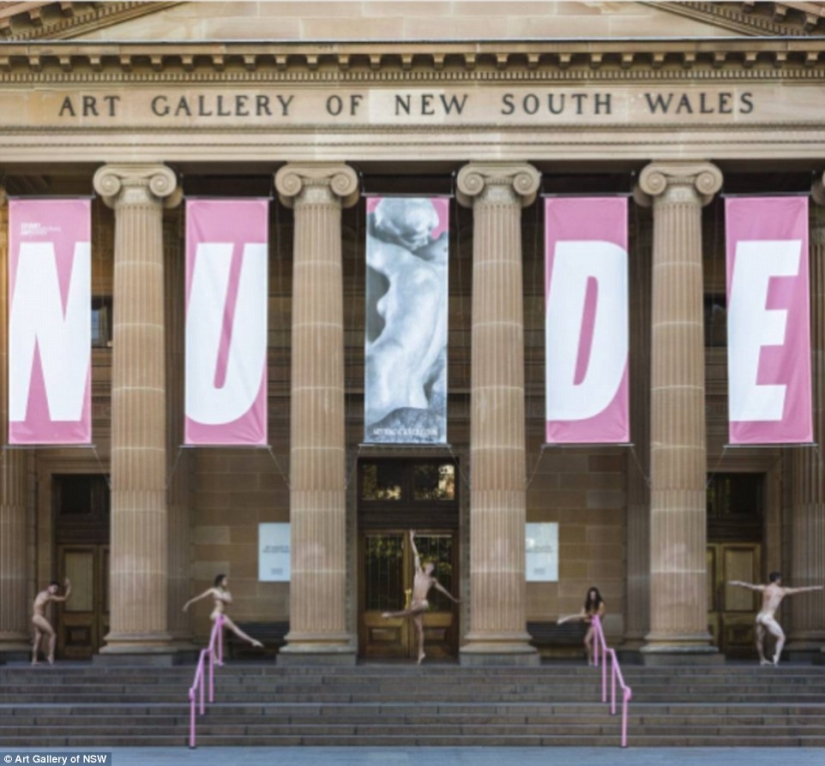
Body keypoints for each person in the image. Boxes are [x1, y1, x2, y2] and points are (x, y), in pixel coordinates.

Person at [365, 198, 449, 442]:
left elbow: (367, 247)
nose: (426, 241)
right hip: (415, 400)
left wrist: (370, 222)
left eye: (431, 236)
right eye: (415, 237)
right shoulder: (446, 290)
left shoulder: (409, 267)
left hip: (382, 375)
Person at [382, 530, 459, 664]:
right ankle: (421, 652)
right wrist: (411, 539)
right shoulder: (418, 572)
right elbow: (415, 554)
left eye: (432, 567)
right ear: (425, 566)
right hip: (414, 602)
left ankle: (391, 614)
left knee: (409, 613)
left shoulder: (432, 580)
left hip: (423, 603)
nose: (431, 567)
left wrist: (453, 599)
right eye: (429, 565)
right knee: (419, 628)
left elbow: (443, 590)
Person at [728, 572, 823, 666]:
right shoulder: (782, 590)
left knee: (759, 639)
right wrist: (817, 588)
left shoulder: (764, 588)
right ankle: (776, 657)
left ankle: (762, 659)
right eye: (780, 579)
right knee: (781, 637)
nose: (781, 581)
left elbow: (750, 586)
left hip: (760, 616)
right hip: (768, 617)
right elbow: (800, 589)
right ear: (778, 579)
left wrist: (737, 583)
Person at [183, 573, 263, 649]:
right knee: (234, 628)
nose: (226, 582)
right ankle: (252, 641)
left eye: (227, 580)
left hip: (221, 614)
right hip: (216, 614)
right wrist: (188, 603)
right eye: (225, 580)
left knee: (213, 637)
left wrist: (221, 598)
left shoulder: (227, 592)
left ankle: (214, 658)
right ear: (220, 581)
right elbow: (200, 597)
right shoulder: (213, 590)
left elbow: (230, 602)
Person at [557, 586, 606, 665]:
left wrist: (589, 616)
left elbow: (599, 616)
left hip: (596, 624)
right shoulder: (587, 604)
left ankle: (593, 659)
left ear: (597, 595)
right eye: (591, 595)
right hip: (589, 622)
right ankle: (590, 659)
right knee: (586, 641)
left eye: (594, 595)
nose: (592, 597)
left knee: (588, 641)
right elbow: (581, 616)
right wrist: (587, 617)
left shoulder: (600, 604)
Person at [31, 578, 71, 666]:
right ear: (48, 587)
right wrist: (69, 587)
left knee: (38, 638)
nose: (55, 591)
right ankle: (51, 656)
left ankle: (34, 660)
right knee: (53, 634)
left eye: (56, 589)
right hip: (38, 618)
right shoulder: (48, 596)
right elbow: (64, 598)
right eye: (54, 588)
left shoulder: (41, 593)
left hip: (35, 617)